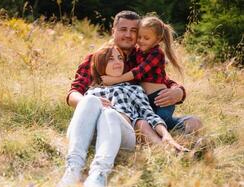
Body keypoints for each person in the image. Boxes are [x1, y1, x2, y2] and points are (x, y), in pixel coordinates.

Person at [57, 46, 188, 187]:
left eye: (120, 58)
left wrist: (165, 135)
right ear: (100, 64)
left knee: (110, 114)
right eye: (111, 59)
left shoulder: (133, 89)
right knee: (88, 100)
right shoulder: (92, 91)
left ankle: (99, 173)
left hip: (123, 135)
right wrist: (91, 100)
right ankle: (73, 168)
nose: (118, 62)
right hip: (91, 135)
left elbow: (149, 115)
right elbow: (78, 103)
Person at [66, 10, 202, 144]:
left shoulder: (142, 56)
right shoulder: (96, 59)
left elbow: (162, 80)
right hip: (116, 118)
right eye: (123, 29)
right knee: (142, 125)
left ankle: (184, 142)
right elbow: (74, 93)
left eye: (134, 31)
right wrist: (90, 102)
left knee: (194, 123)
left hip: (150, 115)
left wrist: (178, 91)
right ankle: (175, 143)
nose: (128, 35)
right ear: (113, 31)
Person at [101, 15, 189, 131]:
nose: (141, 41)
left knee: (163, 119)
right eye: (139, 37)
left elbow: (140, 71)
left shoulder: (157, 53)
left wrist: (179, 91)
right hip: (144, 99)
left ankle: (187, 126)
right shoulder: (136, 52)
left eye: (146, 38)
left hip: (160, 96)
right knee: (150, 121)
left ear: (158, 39)